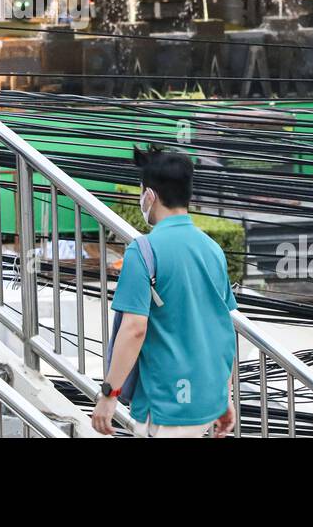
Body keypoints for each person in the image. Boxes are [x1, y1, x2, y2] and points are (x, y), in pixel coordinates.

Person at [91, 146, 238, 438]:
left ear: (149, 196)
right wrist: (225, 395)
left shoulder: (143, 252)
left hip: (167, 404)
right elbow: (222, 325)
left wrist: (109, 395)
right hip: (206, 399)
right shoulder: (212, 249)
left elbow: (134, 329)